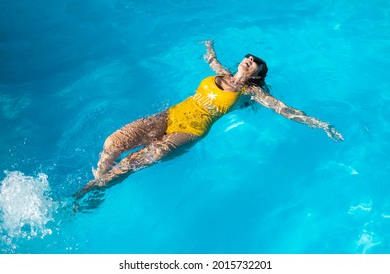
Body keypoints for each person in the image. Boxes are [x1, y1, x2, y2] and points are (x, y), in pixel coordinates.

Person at [74, 41, 343, 199]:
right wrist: (209, 46)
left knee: (132, 162)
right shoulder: (222, 73)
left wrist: (322, 124)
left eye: (255, 62)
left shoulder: (252, 92)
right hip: (170, 116)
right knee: (114, 141)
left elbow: (285, 110)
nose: (249, 59)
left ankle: (90, 192)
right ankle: (99, 177)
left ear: (258, 74)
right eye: (248, 56)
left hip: (189, 132)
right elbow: (211, 60)